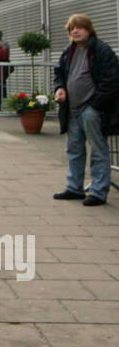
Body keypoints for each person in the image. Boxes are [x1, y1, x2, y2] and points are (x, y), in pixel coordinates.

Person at [53, 13, 119, 206]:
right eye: (72, 28)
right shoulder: (68, 51)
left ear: (88, 29)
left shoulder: (102, 50)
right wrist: (60, 88)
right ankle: (74, 187)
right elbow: (59, 73)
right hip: (73, 110)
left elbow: (111, 81)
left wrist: (95, 106)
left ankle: (98, 191)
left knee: (98, 149)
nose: (75, 31)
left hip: (92, 111)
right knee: (74, 149)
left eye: (79, 27)